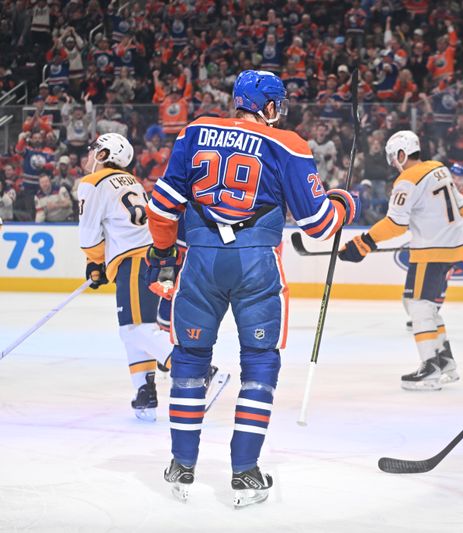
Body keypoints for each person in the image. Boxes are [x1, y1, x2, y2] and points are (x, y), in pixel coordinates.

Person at [144, 70, 359, 507]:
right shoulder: (288, 143)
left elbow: (162, 206)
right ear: (270, 105)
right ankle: (244, 472)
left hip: (201, 262)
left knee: (189, 359)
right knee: (260, 364)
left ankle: (181, 465)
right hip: (257, 265)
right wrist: (343, 203)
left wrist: (165, 253)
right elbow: (318, 225)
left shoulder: (197, 129)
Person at [339, 130, 463, 391]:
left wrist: (363, 243)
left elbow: (395, 224)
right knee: (428, 306)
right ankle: (445, 363)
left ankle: (430, 368)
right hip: (449, 249)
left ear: (401, 154)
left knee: (418, 306)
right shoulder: (439, 169)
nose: (392, 164)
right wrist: (435, 227)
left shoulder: (407, 180)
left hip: (430, 252)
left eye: (393, 158)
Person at [76, 133, 173, 422]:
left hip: (133, 261)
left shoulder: (92, 183)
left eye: (95, 150)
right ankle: (145, 391)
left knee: (133, 329)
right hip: (146, 259)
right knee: (135, 328)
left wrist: (94, 262)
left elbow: (89, 231)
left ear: (105, 155)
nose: (90, 155)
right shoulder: (133, 181)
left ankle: (196, 369)